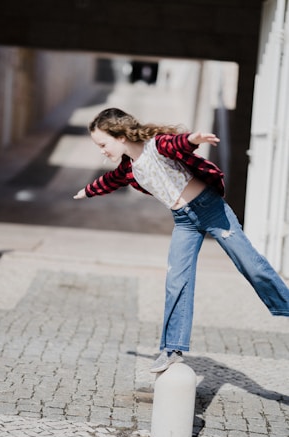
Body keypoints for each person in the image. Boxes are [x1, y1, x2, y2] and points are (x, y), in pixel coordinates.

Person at [74, 107, 289, 373]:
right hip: (184, 222)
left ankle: (286, 305)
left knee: (250, 264)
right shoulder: (129, 168)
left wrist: (194, 139)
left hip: (211, 209)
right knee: (176, 281)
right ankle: (172, 349)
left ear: (120, 136)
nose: (102, 150)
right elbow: (109, 180)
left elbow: (177, 143)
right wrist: (87, 190)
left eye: (103, 144)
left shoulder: (156, 146)